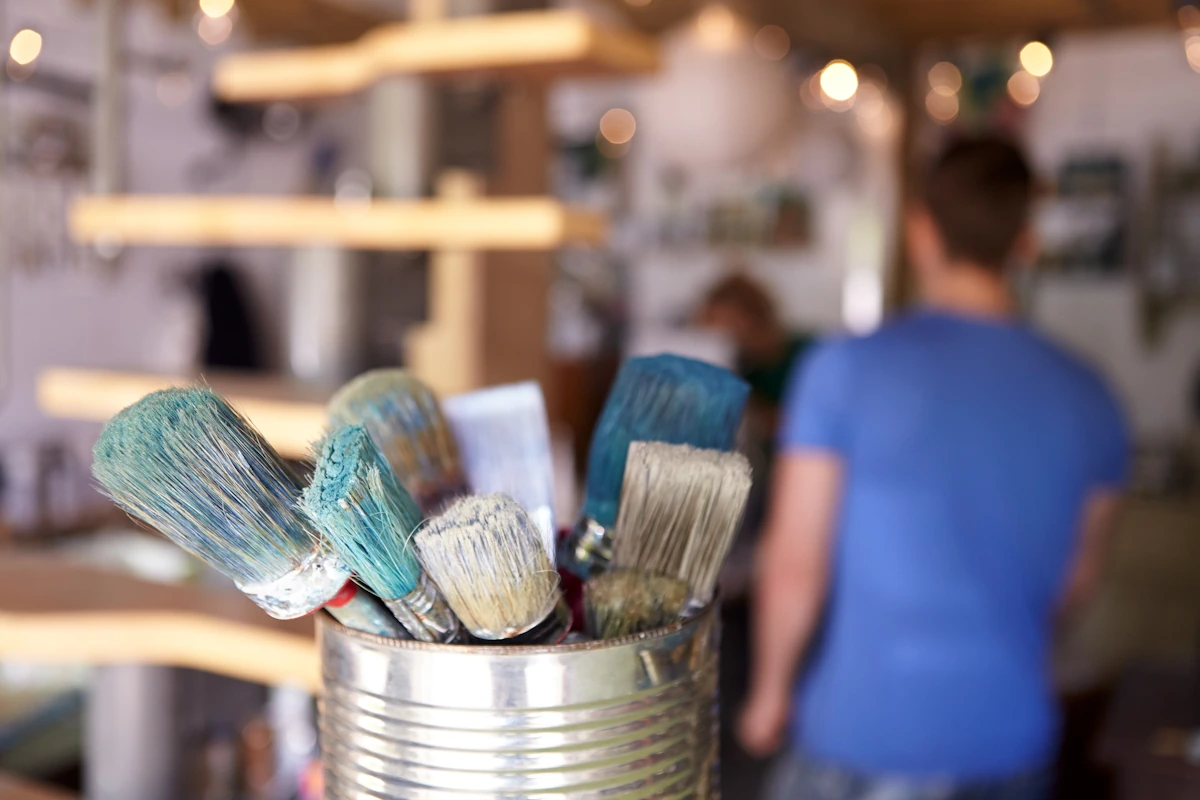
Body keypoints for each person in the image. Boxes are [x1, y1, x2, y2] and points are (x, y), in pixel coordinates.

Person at [738, 138, 1129, 800]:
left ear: (921, 231)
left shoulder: (842, 370)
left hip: (866, 736)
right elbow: (1073, 585)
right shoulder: (1091, 396)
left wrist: (770, 693)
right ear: (1025, 242)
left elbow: (794, 563)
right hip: (1009, 740)